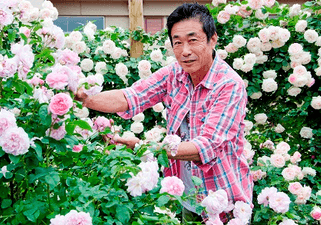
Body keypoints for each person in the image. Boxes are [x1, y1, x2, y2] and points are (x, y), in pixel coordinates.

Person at [76, 2, 253, 223]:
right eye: (177, 42)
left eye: (193, 40)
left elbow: (206, 146)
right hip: (189, 195)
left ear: (212, 39)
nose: (185, 51)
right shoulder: (174, 74)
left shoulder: (228, 85)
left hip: (224, 201)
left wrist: (143, 146)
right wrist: (86, 99)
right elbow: (131, 96)